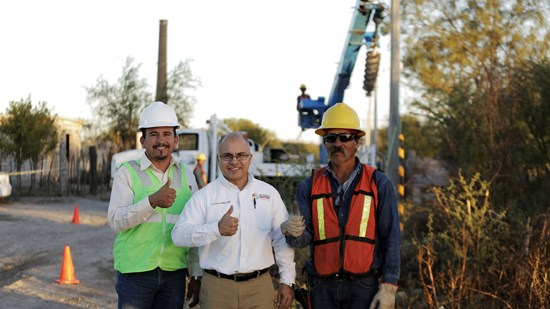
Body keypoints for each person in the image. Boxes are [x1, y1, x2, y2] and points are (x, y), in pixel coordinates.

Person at [282, 103, 401, 309]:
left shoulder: (379, 183)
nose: (337, 143)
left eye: (344, 137)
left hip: (364, 286)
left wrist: (389, 286)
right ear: (324, 143)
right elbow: (301, 240)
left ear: (357, 142)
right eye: (330, 138)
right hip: (321, 287)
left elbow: (391, 237)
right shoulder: (309, 185)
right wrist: (291, 231)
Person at [172, 132, 296, 309]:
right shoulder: (204, 196)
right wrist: (215, 229)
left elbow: (282, 241)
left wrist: (287, 280)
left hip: (259, 289)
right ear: (218, 158)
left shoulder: (269, 194)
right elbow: (178, 235)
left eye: (241, 155)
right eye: (227, 155)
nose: (234, 161)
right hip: (217, 290)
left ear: (250, 158)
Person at [108, 101, 202, 309]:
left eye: (167, 134)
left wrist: (196, 274)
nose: (161, 140)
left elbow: (194, 229)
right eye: (153, 134)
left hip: (174, 275)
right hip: (134, 275)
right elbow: (116, 220)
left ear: (176, 140)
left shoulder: (187, 176)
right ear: (143, 140)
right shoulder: (127, 172)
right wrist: (151, 202)